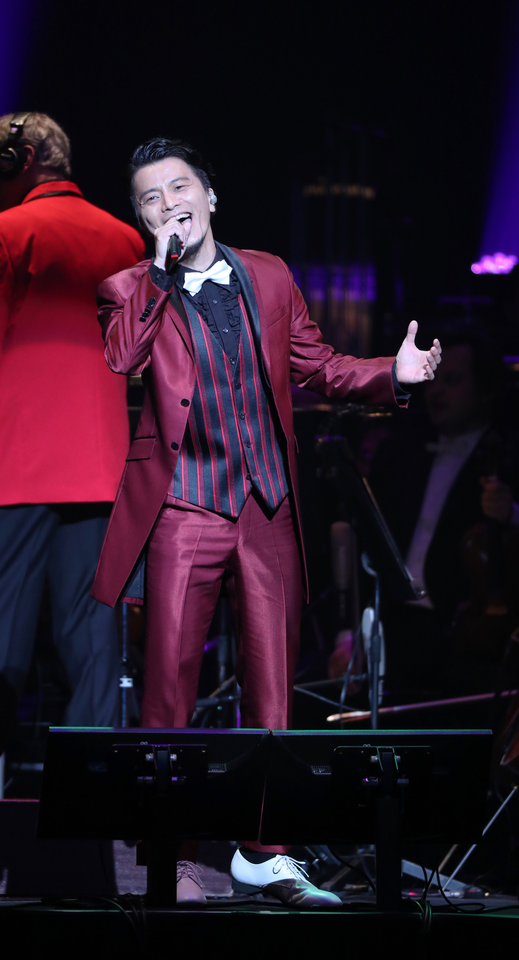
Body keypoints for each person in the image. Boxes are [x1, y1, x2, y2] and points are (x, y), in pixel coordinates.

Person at [91, 137, 441, 907]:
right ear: (141, 218)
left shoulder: (270, 275)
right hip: (184, 505)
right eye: (150, 199)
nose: (167, 205)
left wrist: (393, 373)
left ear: (210, 196)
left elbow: (318, 366)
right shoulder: (127, 288)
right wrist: (160, 274)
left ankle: (266, 851)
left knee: (273, 691)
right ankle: (169, 856)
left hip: (268, 505)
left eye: (179, 188)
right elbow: (123, 358)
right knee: (168, 691)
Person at [0, 112, 145, 793]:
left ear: (19, 161)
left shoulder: (1, 235)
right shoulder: (125, 239)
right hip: (100, 470)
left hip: (13, 471)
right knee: (92, 641)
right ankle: (91, 795)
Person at [366, 330, 519, 700]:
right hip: (397, 621)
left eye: (452, 381)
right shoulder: (403, 452)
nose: (436, 392)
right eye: (433, 380)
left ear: (484, 389)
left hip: (464, 633)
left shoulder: (508, 457)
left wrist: (512, 513)